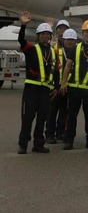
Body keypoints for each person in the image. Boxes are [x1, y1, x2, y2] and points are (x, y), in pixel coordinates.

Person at [60, 19, 88, 150]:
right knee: (71, 116)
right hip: (75, 88)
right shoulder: (75, 49)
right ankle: (69, 140)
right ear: (83, 32)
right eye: (87, 32)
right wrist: (64, 83)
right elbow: (67, 66)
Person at [17, 12, 56, 154]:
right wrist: (23, 25)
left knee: (42, 118)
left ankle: (38, 144)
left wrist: (55, 88)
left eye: (48, 34)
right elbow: (21, 41)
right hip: (31, 88)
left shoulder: (52, 52)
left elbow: (55, 71)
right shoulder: (31, 49)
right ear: (38, 36)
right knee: (28, 117)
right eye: (43, 34)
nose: (46, 36)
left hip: (45, 90)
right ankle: (23, 144)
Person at [46, 27, 76, 144]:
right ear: (63, 40)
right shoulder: (56, 51)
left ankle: (60, 132)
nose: (70, 42)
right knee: (52, 112)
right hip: (57, 87)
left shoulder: (76, 52)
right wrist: (52, 87)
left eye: (72, 40)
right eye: (68, 39)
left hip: (69, 87)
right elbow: (50, 70)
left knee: (65, 112)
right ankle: (49, 134)